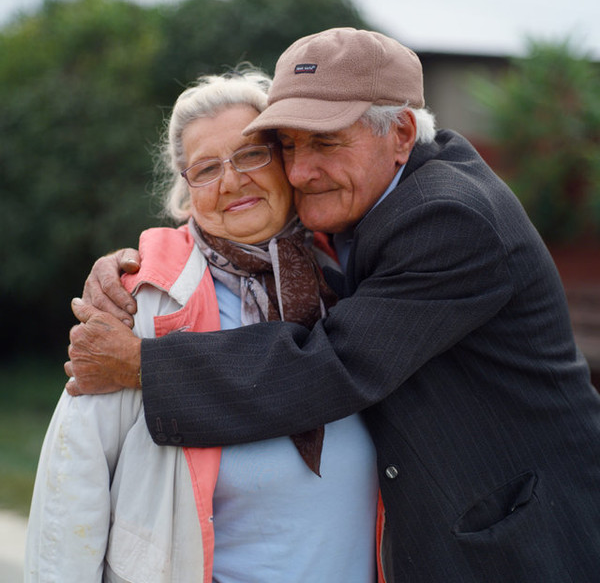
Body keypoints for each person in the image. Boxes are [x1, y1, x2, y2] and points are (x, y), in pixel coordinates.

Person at [66, 28, 600, 582]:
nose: (299, 172)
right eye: (288, 145)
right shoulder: (365, 196)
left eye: (325, 142)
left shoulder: (450, 218)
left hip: (522, 543)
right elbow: (237, 217)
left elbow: (334, 362)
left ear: (400, 133)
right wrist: (144, 260)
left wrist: (141, 365)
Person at [25, 68, 380, 582]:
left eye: (252, 154)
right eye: (206, 169)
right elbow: (70, 481)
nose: (233, 180)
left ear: (287, 163)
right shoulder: (144, 298)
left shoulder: (349, 275)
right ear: (188, 191)